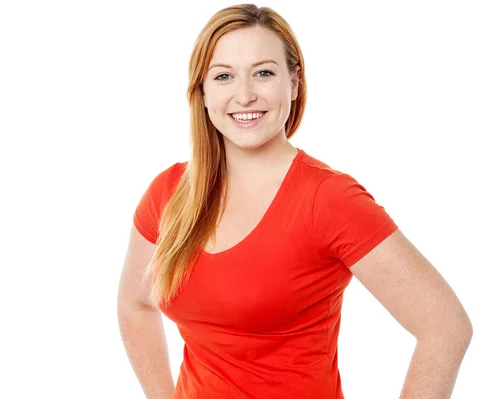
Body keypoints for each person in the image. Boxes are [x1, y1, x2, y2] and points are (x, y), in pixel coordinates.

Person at [117, 4, 472, 398]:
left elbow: (444, 325)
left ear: (294, 83)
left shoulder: (329, 200)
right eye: (223, 76)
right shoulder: (168, 192)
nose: (245, 95)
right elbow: (135, 304)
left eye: (264, 73)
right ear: (202, 92)